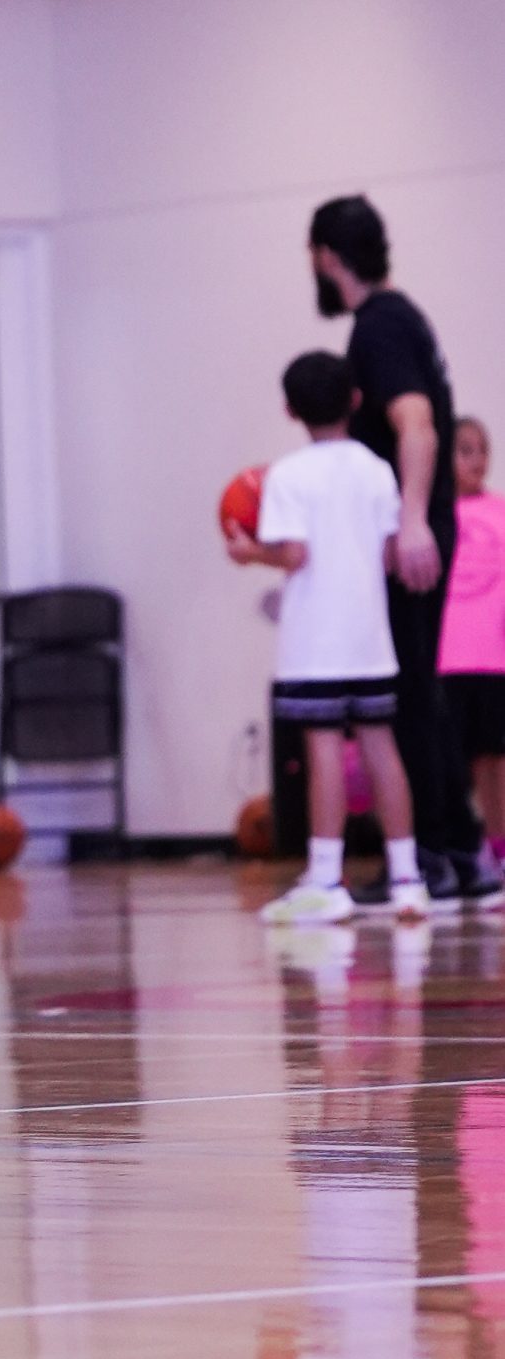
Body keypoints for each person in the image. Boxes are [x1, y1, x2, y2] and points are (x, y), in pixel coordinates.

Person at [309, 194, 501, 905]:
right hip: (420, 525)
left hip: (413, 532)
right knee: (421, 688)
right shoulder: (403, 314)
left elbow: (416, 424)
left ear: (327, 257)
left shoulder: (380, 326)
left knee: (409, 693)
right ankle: (459, 852)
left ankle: (436, 854)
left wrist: (412, 521)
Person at [226, 351, 430, 923]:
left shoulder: (287, 475)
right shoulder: (377, 469)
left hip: (314, 644)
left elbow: (294, 554)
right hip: (370, 639)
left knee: (323, 755)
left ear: (290, 410)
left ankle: (323, 879)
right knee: (380, 747)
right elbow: (392, 552)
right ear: (357, 400)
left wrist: (249, 555)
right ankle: (408, 877)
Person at [440, 418, 505, 862]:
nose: (477, 460)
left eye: (482, 450)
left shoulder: (500, 510)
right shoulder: (433, 515)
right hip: (444, 660)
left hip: (493, 658)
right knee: (447, 763)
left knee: (493, 760)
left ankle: (497, 846)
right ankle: (451, 847)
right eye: (465, 450)